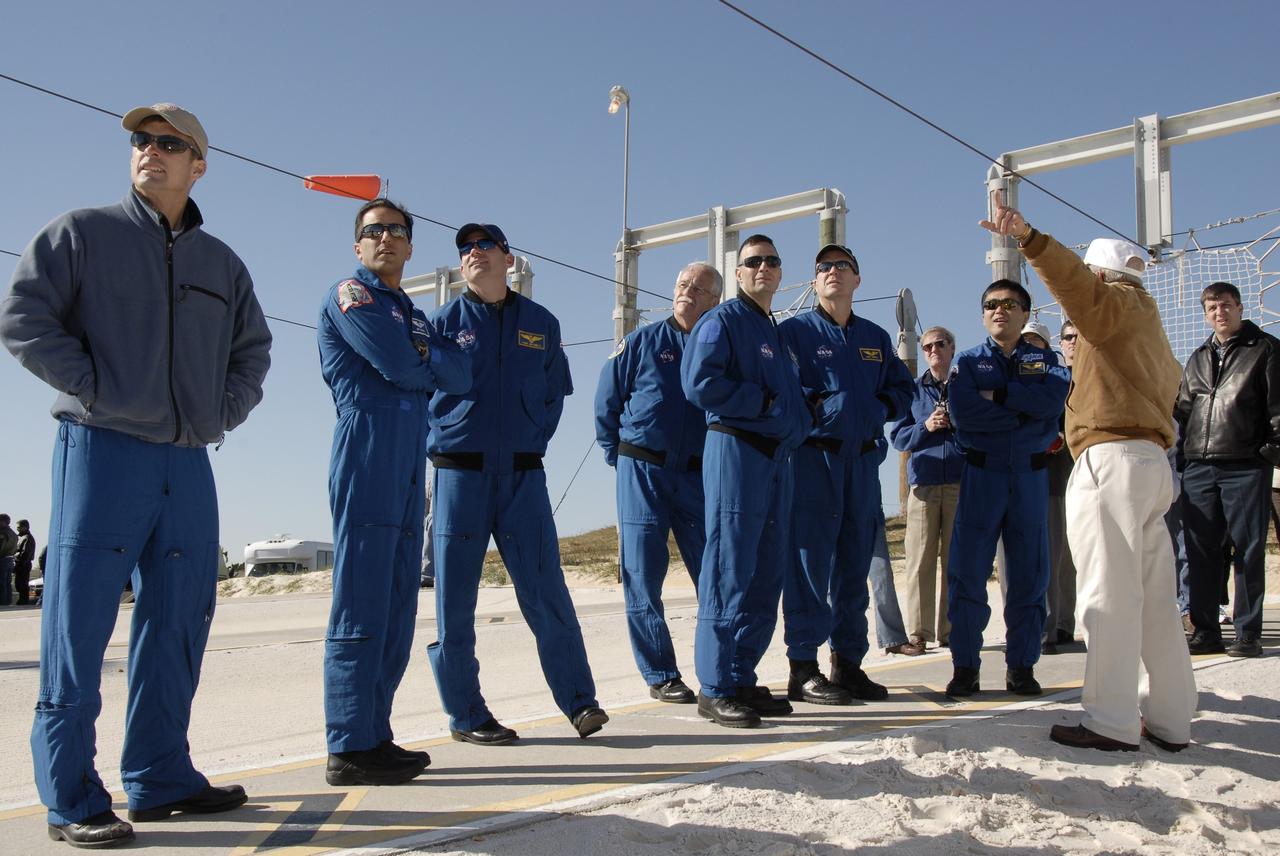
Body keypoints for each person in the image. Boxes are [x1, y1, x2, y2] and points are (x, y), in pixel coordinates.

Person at [0, 102, 271, 846]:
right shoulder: (82, 233)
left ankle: (160, 777)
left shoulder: (223, 264)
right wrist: (93, 386)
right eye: (140, 142)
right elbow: (23, 316)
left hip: (187, 462)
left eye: (168, 143)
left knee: (180, 620)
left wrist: (221, 412)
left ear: (198, 164)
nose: (149, 151)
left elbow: (253, 353)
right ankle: (70, 796)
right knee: (77, 624)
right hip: (102, 448)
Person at [981, 190, 1196, 753]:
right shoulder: (1150, 328)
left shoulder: (1115, 305)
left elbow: (1077, 285)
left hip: (1112, 460)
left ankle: (1110, 720)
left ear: (1103, 275)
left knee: (1107, 596)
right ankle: (1171, 720)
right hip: (1150, 463)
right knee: (1154, 602)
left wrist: (1029, 240)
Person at [427, 222, 607, 744]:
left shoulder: (542, 324)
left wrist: (532, 437)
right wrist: (444, 438)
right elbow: (419, 394)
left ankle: (580, 702)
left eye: (485, 245)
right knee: (454, 604)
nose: (474, 253)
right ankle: (466, 714)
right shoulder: (441, 323)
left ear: (509, 258)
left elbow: (556, 391)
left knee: (547, 591)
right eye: (465, 249)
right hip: (459, 475)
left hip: (524, 477)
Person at [318, 198, 470, 786]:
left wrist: (421, 355)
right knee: (361, 596)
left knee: (398, 598)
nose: (385, 238)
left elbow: (461, 375)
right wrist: (424, 358)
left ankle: (374, 733)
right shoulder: (350, 296)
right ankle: (348, 741)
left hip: (410, 451)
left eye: (396, 231)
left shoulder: (407, 311)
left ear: (410, 246)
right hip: (368, 445)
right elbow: (400, 366)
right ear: (358, 245)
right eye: (373, 231)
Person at [681, 234, 809, 727]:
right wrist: (763, 405)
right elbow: (700, 383)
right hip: (736, 451)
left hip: (778, 460)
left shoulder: (774, 332)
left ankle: (740, 675)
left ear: (780, 273)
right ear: (738, 273)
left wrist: (801, 419)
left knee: (766, 572)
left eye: (772, 261)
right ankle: (714, 686)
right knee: (729, 568)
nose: (763, 268)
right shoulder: (722, 321)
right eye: (753, 261)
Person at [779, 243, 915, 706]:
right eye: (823, 267)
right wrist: (822, 407)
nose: (833, 272)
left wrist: (878, 407)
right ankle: (803, 667)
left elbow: (903, 388)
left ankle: (849, 664)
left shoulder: (874, 338)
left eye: (843, 266)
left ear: (858, 280)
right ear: (815, 282)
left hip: (861, 463)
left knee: (855, 564)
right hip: (813, 460)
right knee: (810, 564)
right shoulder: (794, 333)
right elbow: (782, 389)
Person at [594, 262, 722, 702]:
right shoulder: (642, 342)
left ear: (715, 301)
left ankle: (721, 670)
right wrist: (622, 459)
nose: (688, 292)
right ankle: (661, 674)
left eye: (699, 288)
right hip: (642, 470)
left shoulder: (719, 347)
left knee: (714, 573)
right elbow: (606, 406)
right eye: (683, 284)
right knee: (643, 575)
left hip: (697, 476)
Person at [943, 278, 1068, 699]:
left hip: (1030, 480)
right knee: (967, 575)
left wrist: (997, 397)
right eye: (992, 303)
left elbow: (1051, 406)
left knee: (1030, 576)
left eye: (1011, 304)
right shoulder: (968, 362)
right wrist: (1020, 409)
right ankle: (965, 667)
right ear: (983, 315)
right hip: (982, 478)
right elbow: (964, 413)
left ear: (1025, 314)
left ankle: (1022, 666)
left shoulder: (1046, 359)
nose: (1001, 310)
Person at [1177, 281, 1280, 659]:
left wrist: (1268, 454)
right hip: (1200, 468)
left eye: (1225, 305)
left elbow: (1277, 408)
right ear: (1205, 314)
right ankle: (1205, 630)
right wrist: (1184, 460)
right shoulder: (1198, 356)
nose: (1219, 312)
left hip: (1246, 466)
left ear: (1239, 307)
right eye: (1211, 308)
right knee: (1200, 550)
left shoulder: (1265, 349)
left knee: (1249, 550)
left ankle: (1248, 632)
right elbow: (1184, 411)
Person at [891, 326, 963, 651]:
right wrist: (926, 426)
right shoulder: (914, 392)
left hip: (960, 484)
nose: (934, 350)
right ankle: (918, 632)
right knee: (919, 559)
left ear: (952, 348)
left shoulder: (966, 387)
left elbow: (982, 428)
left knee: (955, 559)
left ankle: (951, 630)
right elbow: (898, 437)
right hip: (923, 485)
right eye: (928, 346)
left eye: (940, 344)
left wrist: (956, 424)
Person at [1043, 321, 1078, 654]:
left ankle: (1068, 622)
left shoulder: (1097, 376)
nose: (1074, 342)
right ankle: (1054, 624)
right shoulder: (1052, 378)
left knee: (1077, 556)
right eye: (1068, 337)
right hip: (1055, 476)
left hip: (1092, 476)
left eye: (1080, 337)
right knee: (1055, 554)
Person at [14, 520, 36, 606]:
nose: (17, 529)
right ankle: (22, 601)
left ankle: (23, 601)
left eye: (19, 527)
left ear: (25, 527)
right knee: (19, 584)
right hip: (21, 564)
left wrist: (19, 565)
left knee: (22, 584)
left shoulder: (27, 538)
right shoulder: (23, 538)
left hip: (23, 564)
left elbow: (25, 554)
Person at [0, 514, 15, 607]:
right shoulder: (13, 533)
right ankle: (7, 602)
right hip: (10, 559)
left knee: (2, 583)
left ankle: (3, 603)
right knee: (7, 583)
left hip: (3, 560)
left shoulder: (3, 533)